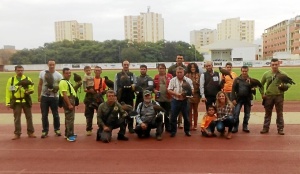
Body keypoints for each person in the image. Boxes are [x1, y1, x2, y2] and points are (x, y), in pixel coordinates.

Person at [260, 58, 290, 135]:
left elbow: (289, 83)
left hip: (279, 96)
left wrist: (284, 86)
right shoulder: (266, 74)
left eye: (276, 64)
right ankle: (265, 128)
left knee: (279, 113)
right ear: (270, 65)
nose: (274, 66)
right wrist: (262, 93)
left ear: (278, 64)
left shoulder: (283, 74)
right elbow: (260, 85)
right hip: (269, 96)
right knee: (267, 113)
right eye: (273, 65)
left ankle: (280, 129)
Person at [6, 65, 36, 140]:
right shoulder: (11, 80)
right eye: (18, 70)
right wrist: (7, 103)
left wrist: (26, 90)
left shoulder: (27, 79)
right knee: (17, 118)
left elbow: (31, 89)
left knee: (29, 117)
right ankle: (17, 133)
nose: (20, 72)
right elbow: (8, 91)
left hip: (26, 100)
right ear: (15, 71)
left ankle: (30, 132)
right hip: (16, 101)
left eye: (21, 70)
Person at [38, 59, 63, 138]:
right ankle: (45, 130)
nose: (51, 66)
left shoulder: (58, 75)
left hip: (54, 97)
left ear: (55, 65)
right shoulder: (42, 73)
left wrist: (55, 89)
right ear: (47, 65)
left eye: (53, 64)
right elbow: (40, 84)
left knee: (55, 114)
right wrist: (39, 95)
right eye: (50, 64)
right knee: (44, 115)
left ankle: (57, 129)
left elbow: (61, 86)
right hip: (44, 97)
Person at [168, 66, 194, 137]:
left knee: (186, 117)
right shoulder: (172, 80)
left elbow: (192, 90)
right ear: (176, 73)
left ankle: (187, 131)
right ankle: (173, 131)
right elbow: (169, 90)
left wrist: (186, 94)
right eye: (178, 72)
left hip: (185, 101)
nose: (179, 74)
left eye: (181, 72)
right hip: (175, 100)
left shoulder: (188, 80)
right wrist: (176, 94)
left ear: (184, 72)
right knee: (173, 117)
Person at [58, 68, 81, 142]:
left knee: (69, 118)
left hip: (71, 99)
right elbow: (64, 94)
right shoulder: (63, 82)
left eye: (69, 73)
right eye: (67, 73)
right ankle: (69, 135)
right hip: (68, 100)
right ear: (63, 74)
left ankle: (68, 133)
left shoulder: (67, 81)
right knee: (70, 119)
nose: (69, 74)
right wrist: (69, 104)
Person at [114, 60, 137, 133]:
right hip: (121, 95)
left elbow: (135, 84)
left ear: (129, 65)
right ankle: (122, 127)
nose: (126, 66)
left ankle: (130, 127)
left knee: (130, 111)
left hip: (129, 95)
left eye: (127, 65)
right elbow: (115, 85)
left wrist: (134, 87)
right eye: (124, 65)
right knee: (121, 111)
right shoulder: (117, 75)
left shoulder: (132, 74)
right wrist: (115, 94)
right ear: (122, 65)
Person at [83, 66, 107, 136]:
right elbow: (85, 88)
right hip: (89, 98)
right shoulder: (89, 78)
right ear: (94, 71)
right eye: (96, 70)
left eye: (98, 70)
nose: (97, 72)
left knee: (100, 114)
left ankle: (101, 127)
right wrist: (89, 90)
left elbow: (104, 89)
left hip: (99, 99)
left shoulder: (103, 80)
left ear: (101, 71)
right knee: (89, 115)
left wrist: (103, 92)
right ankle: (89, 129)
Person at [231, 66, 253, 133]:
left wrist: (252, 86)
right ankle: (235, 127)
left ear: (247, 71)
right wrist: (233, 99)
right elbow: (233, 90)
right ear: (241, 71)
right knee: (236, 113)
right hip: (238, 99)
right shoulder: (237, 79)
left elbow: (253, 91)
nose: (244, 72)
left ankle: (245, 126)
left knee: (247, 114)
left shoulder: (251, 80)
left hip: (248, 99)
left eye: (245, 71)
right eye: (243, 71)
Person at [168, 54, 187, 129]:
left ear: (183, 59)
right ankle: (173, 122)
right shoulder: (171, 68)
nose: (179, 59)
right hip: (173, 87)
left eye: (181, 58)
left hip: (183, 88)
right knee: (173, 108)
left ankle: (180, 122)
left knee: (181, 108)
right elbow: (168, 77)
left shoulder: (185, 68)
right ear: (176, 59)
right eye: (178, 58)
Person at [153, 63, 173, 132]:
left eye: (162, 68)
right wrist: (154, 90)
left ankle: (168, 126)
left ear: (165, 69)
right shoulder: (156, 77)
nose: (161, 70)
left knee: (167, 113)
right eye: (160, 68)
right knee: (159, 114)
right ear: (158, 69)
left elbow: (173, 85)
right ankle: (160, 126)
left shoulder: (170, 76)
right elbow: (153, 87)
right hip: (159, 98)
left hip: (168, 98)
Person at [185, 63, 201, 130]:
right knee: (189, 110)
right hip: (189, 95)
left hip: (196, 94)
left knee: (195, 110)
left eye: (194, 67)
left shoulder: (199, 75)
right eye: (191, 67)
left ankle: (195, 125)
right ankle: (190, 124)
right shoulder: (186, 75)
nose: (193, 68)